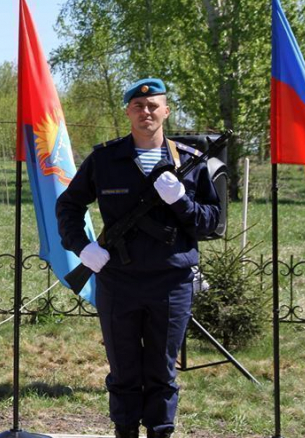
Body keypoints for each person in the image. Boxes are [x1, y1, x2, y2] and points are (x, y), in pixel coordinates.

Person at [56, 78, 220, 438]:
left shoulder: (190, 164)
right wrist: (82, 247)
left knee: (162, 370)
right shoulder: (105, 159)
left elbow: (212, 222)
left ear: (166, 110)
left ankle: (161, 431)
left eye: (153, 106)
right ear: (128, 111)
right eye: (138, 106)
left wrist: (182, 202)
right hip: (119, 281)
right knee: (124, 367)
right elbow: (68, 205)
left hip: (171, 282)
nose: (146, 112)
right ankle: (125, 431)